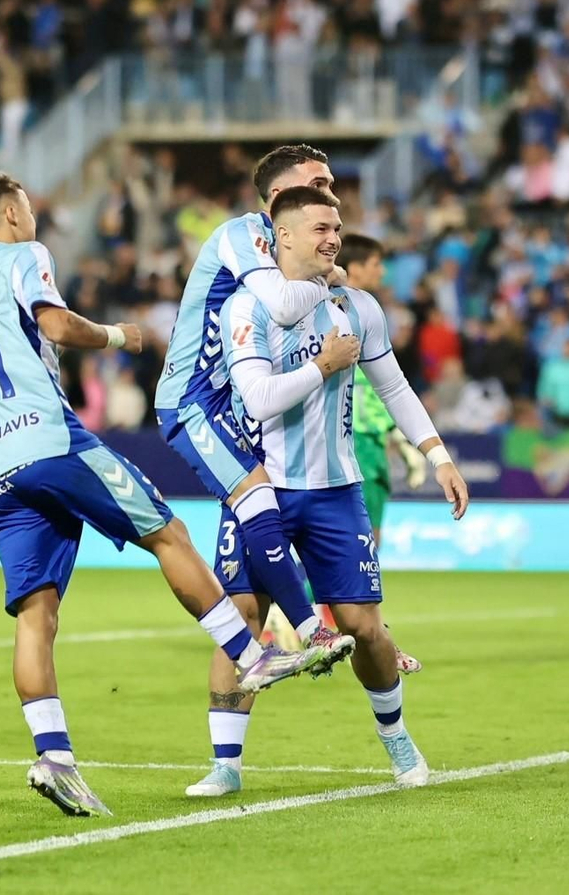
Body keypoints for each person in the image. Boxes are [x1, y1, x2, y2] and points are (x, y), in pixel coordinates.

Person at [0, 172, 333, 818]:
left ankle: (55, 756)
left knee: (36, 614)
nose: (34, 217)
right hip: (48, 440)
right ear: (11, 214)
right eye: (29, 206)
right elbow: (57, 325)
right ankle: (249, 653)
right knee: (168, 533)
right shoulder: (24, 255)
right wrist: (118, 335)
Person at [185, 186, 470, 798]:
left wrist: (437, 454)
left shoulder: (357, 307)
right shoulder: (245, 307)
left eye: (336, 227)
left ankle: (397, 741)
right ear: (281, 236)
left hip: (336, 492)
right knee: (242, 618)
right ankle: (226, 764)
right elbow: (258, 398)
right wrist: (322, 366)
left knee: (366, 626)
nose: (332, 237)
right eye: (319, 227)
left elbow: (394, 389)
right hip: (259, 487)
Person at [153, 145, 358, 678]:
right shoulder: (241, 234)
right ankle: (308, 632)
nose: (330, 194)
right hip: (193, 399)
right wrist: (321, 281)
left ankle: (294, 639)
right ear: (279, 196)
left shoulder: (288, 248)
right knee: (257, 497)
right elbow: (285, 306)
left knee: (259, 510)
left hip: (234, 399)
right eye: (320, 184)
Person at [338, 232, 425, 676]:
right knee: (357, 542)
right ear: (354, 268)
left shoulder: (366, 314)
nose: (382, 271)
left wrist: (401, 440)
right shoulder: (337, 313)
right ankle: (342, 631)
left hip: (367, 440)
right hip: (350, 443)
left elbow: (381, 389)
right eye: (375, 263)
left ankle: (320, 625)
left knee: (363, 541)